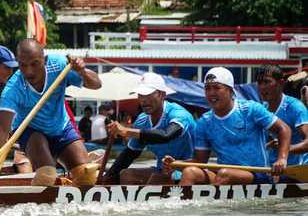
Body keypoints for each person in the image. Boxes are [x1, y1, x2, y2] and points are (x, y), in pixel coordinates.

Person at [163, 67, 291, 186]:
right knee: (189, 172)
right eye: (207, 88)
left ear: (230, 90)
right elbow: (199, 161)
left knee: (225, 174)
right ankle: (181, 208)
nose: (211, 93)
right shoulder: (205, 121)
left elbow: (284, 129)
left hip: (258, 175)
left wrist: (282, 159)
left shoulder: (251, 109)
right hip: (224, 175)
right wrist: (174, 164)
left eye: (216, 88)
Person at [0, 39, 102, 172]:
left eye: (35, 64)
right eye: (23, 65)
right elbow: (1, 131)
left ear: (45, 60)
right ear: (17, 63)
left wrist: (82, 72)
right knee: (48, 175)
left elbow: (97, 84)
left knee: (85, 174)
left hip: (60, 127)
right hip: (30, 130)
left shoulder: (60, 65)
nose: (29, 71)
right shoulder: (12, 89)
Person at [101, 72, 196, 185]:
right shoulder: (142, 121)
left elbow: (166, 135)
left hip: (188, 169)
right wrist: (107, 178)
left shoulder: (178, 114)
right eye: (140, 95)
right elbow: (129, 154)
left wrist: (127, 131)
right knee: (126, 175)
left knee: (156, 179)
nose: (143, 100)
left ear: (163, 95)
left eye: (148, 94)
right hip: (163, 170)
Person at [255, 62, 308, 167]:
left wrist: (285, 148)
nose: (262, 87)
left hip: (296, 172)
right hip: (271, 171)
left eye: (267, 82)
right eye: (260, 82)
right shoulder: (262, 110)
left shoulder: (295, 107)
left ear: (281, 84)